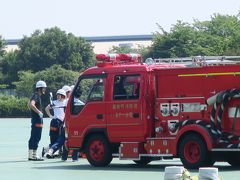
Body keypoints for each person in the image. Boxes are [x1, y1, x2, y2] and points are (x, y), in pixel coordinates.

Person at [28, 80, 47, 161]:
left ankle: (31, 155)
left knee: (33, 137)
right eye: (44, 88)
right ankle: (34, 156)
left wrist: (33, 112)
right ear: (40, 88)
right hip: (37, 121)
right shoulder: (36, 96)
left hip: (35, 120)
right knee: (36, 137)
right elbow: (31, 105)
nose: (44, 89)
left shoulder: (34, 95)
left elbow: (28, 104)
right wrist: (38, 112)